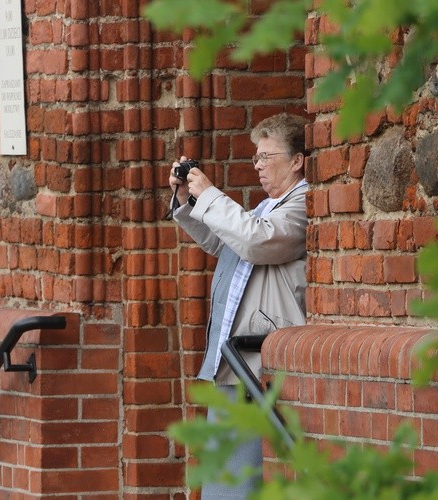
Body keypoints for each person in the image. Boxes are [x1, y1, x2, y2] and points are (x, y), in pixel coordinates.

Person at [168, 112, 309, 498]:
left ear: (297, 160)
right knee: (223, 483)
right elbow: (224, 243)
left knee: (239, 485)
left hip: (260, 365)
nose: (259, 166)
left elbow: (254, 242)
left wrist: (211, 194)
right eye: (256, 158)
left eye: (267, 156)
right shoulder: (267, 207)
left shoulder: (304, 203)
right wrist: (188, 200)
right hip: (236, 364)